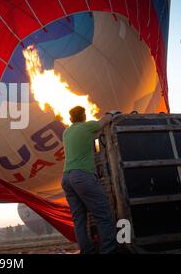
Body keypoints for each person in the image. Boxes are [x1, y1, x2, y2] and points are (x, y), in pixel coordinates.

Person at [61, 106, 118, 254]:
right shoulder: (87, 126)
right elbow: (104, 121)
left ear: (70, 118)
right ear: (84, 116)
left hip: (66, 177)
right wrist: (111, 113)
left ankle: (87, 251)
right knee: (103, 215)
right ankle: (108, 250)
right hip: (83, 176)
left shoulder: (66, 132)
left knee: (79, 219)